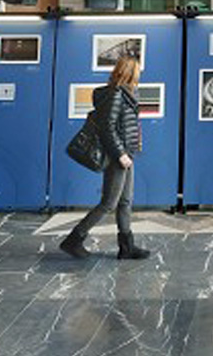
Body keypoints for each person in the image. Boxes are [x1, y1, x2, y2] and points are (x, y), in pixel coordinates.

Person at [60, 55, 151, 260]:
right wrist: (120, 154)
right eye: (137, 70)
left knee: (125, 201)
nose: (140, 74)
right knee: (109, 203)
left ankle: (126, 247)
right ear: (129, 71)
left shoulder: (129, 94)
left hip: (128, 154)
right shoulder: (115, 94)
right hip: (117, 156)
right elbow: (107, 128)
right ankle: (73, 240)